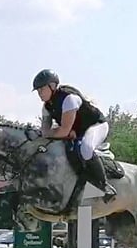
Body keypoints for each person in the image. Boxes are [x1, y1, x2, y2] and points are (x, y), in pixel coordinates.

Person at [32, 68, 117, 202]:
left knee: (86, 148)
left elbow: (62, 132)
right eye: (38, 91)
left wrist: (53, 133)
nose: (39, 93)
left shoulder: (68, 99)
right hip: (77, 131)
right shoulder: (47, 107)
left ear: (52, 86)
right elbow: (44, 133)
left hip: (95, 125)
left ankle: (104, 186)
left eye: (41, 89)